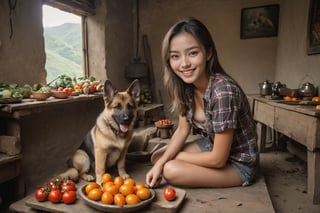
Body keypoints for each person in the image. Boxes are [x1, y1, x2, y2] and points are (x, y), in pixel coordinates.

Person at [146, 17, 258, 188]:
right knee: (157, 157)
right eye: (175, 56)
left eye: (193, 53)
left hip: (238, 164)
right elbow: (182, 130)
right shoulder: (186, 87)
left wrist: (176, 157)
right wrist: (161, 161)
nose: (184, 64)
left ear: (208, 53)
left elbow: (218, 159)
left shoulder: (223, 92)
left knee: (170, 169)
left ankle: (181, 164)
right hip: (211, 145)